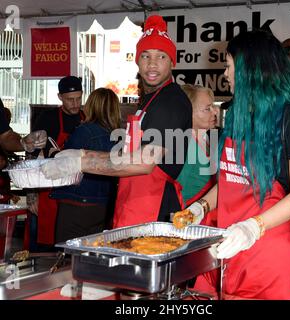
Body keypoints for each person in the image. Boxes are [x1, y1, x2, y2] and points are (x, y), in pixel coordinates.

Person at [186, 30, 290, 300]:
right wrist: (201, 207)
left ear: (249, 70)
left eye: (229, 65)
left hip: (266, 253)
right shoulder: (236, 115)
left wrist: (252, 228)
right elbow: (231, 179)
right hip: (226, 245)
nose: (225, 73)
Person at [40, 15, 192, 229]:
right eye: (146, 56)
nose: (152, 64)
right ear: (137, 60)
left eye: (162, 57)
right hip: (134, 203)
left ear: (172, 62)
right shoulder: (150, 101)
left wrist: (80, 163)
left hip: (154, 209)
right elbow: (127, 155)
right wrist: (83, 154)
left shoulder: (170, 102)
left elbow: (143, 161)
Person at [49, 88, 120, 242]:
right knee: (91, 255)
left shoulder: (84, 131)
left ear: (91, 106)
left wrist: (53, 153)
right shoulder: (118, 136)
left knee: (68, 256)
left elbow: (65, 164)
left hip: (76, 203)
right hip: (102, 206)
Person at [30, 76, 84, 247]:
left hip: (78, 190)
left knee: (73, 244)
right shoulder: (48, 118)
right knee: (48, 242)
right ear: (60, 97)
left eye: (78, 98)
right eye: (70, 100)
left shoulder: (86, 118)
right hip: (50, 188)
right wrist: (32, 195)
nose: (75, 104)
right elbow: (32, 156)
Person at [177, 84, 218, 207]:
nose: (214, 112)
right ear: (188, 112)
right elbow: (176, 192)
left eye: (213, 107)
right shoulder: (187, 144)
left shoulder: (204, 139)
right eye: (207, 109)